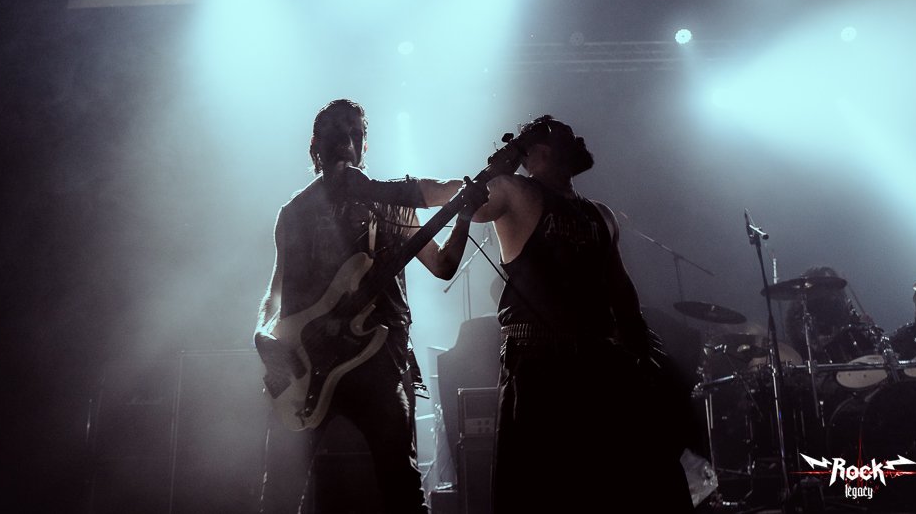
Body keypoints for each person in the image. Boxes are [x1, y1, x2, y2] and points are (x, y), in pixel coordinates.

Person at [253, 98, 482, 514]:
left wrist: (463, 216)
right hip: (308, 365)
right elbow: (277, 290)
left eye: (356, 134)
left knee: (402, 489)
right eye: (337, 134)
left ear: (366, 146)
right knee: (280, 492)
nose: (347, 143)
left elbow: (444, 265)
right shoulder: (294, 213)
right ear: (315, 147)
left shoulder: (391, 202)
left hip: (380, 361)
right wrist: (263, 335)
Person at [460, 115, 694, 513]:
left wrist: (641, 357)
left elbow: (622, 290)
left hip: (598, 364)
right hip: (537, 367)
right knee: (544, 488)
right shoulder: (516, 192)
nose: (576, 138)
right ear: (537, 152)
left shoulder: (600, 214)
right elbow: (454, 198)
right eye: (562, 134)